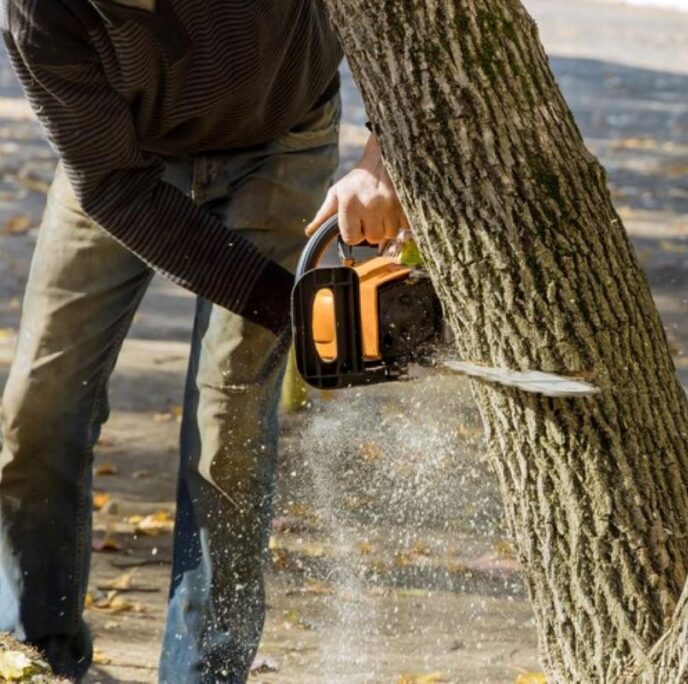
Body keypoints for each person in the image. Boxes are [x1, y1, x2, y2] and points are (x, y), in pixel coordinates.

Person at [0, 1, 407, 680]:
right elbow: (113, 187)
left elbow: (412, 20)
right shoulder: (36, 13)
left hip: (282, 137)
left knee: (230, 428)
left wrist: (383, 154)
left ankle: (202, 673)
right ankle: (36, 656)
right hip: (122, 163)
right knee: (35, 410)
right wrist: (287, 305)